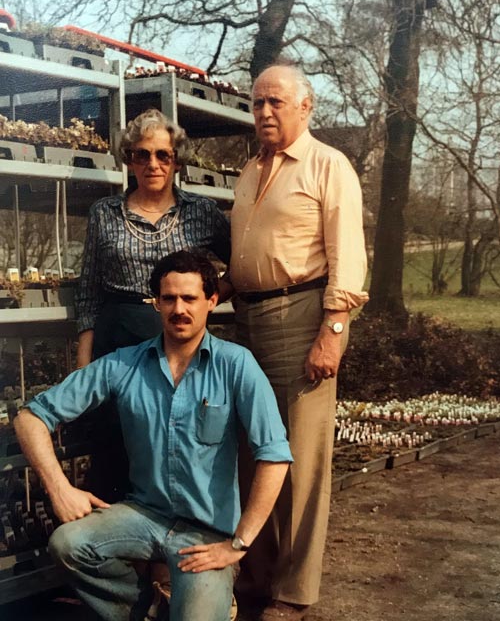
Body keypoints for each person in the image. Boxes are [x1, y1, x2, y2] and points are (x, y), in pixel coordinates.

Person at [14, 250, 292, 621]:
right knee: (68, 543)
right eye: (169, 298)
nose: (179, 309)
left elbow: (274, 454)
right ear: (156, 303)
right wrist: (60, 488)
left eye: (190, 298)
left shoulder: (235, 364)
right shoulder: (124, 363)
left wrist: (238, 544)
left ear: (211, 301)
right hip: (143, 515)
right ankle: (147, 608)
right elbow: (30, 416)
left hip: (205, 535)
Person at [230, 65, 369, 620]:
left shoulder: (328, 165)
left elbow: (348, 257)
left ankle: (294, 591)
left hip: (304, 316)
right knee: (252, 451)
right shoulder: (248, 171)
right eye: (257, 102)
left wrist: (332, 334)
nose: (264, 112)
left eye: (275, 102)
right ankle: (258, 575)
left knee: (303, 458)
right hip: (247, 320)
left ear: (305, 107)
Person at [75, 108, 231, 502]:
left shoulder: (202, 212)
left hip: (178, 339)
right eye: (141, 154)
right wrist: (84, 365)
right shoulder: (104, 214)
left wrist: (206, 302)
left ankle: (174, 547)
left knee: (175, 439)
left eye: (163, 155)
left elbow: (239, 266)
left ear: (177, 160)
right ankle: (116, 549)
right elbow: (89, 290)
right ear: (128, 160)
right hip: (119, 340)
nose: (153, 164)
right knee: (115, 443)